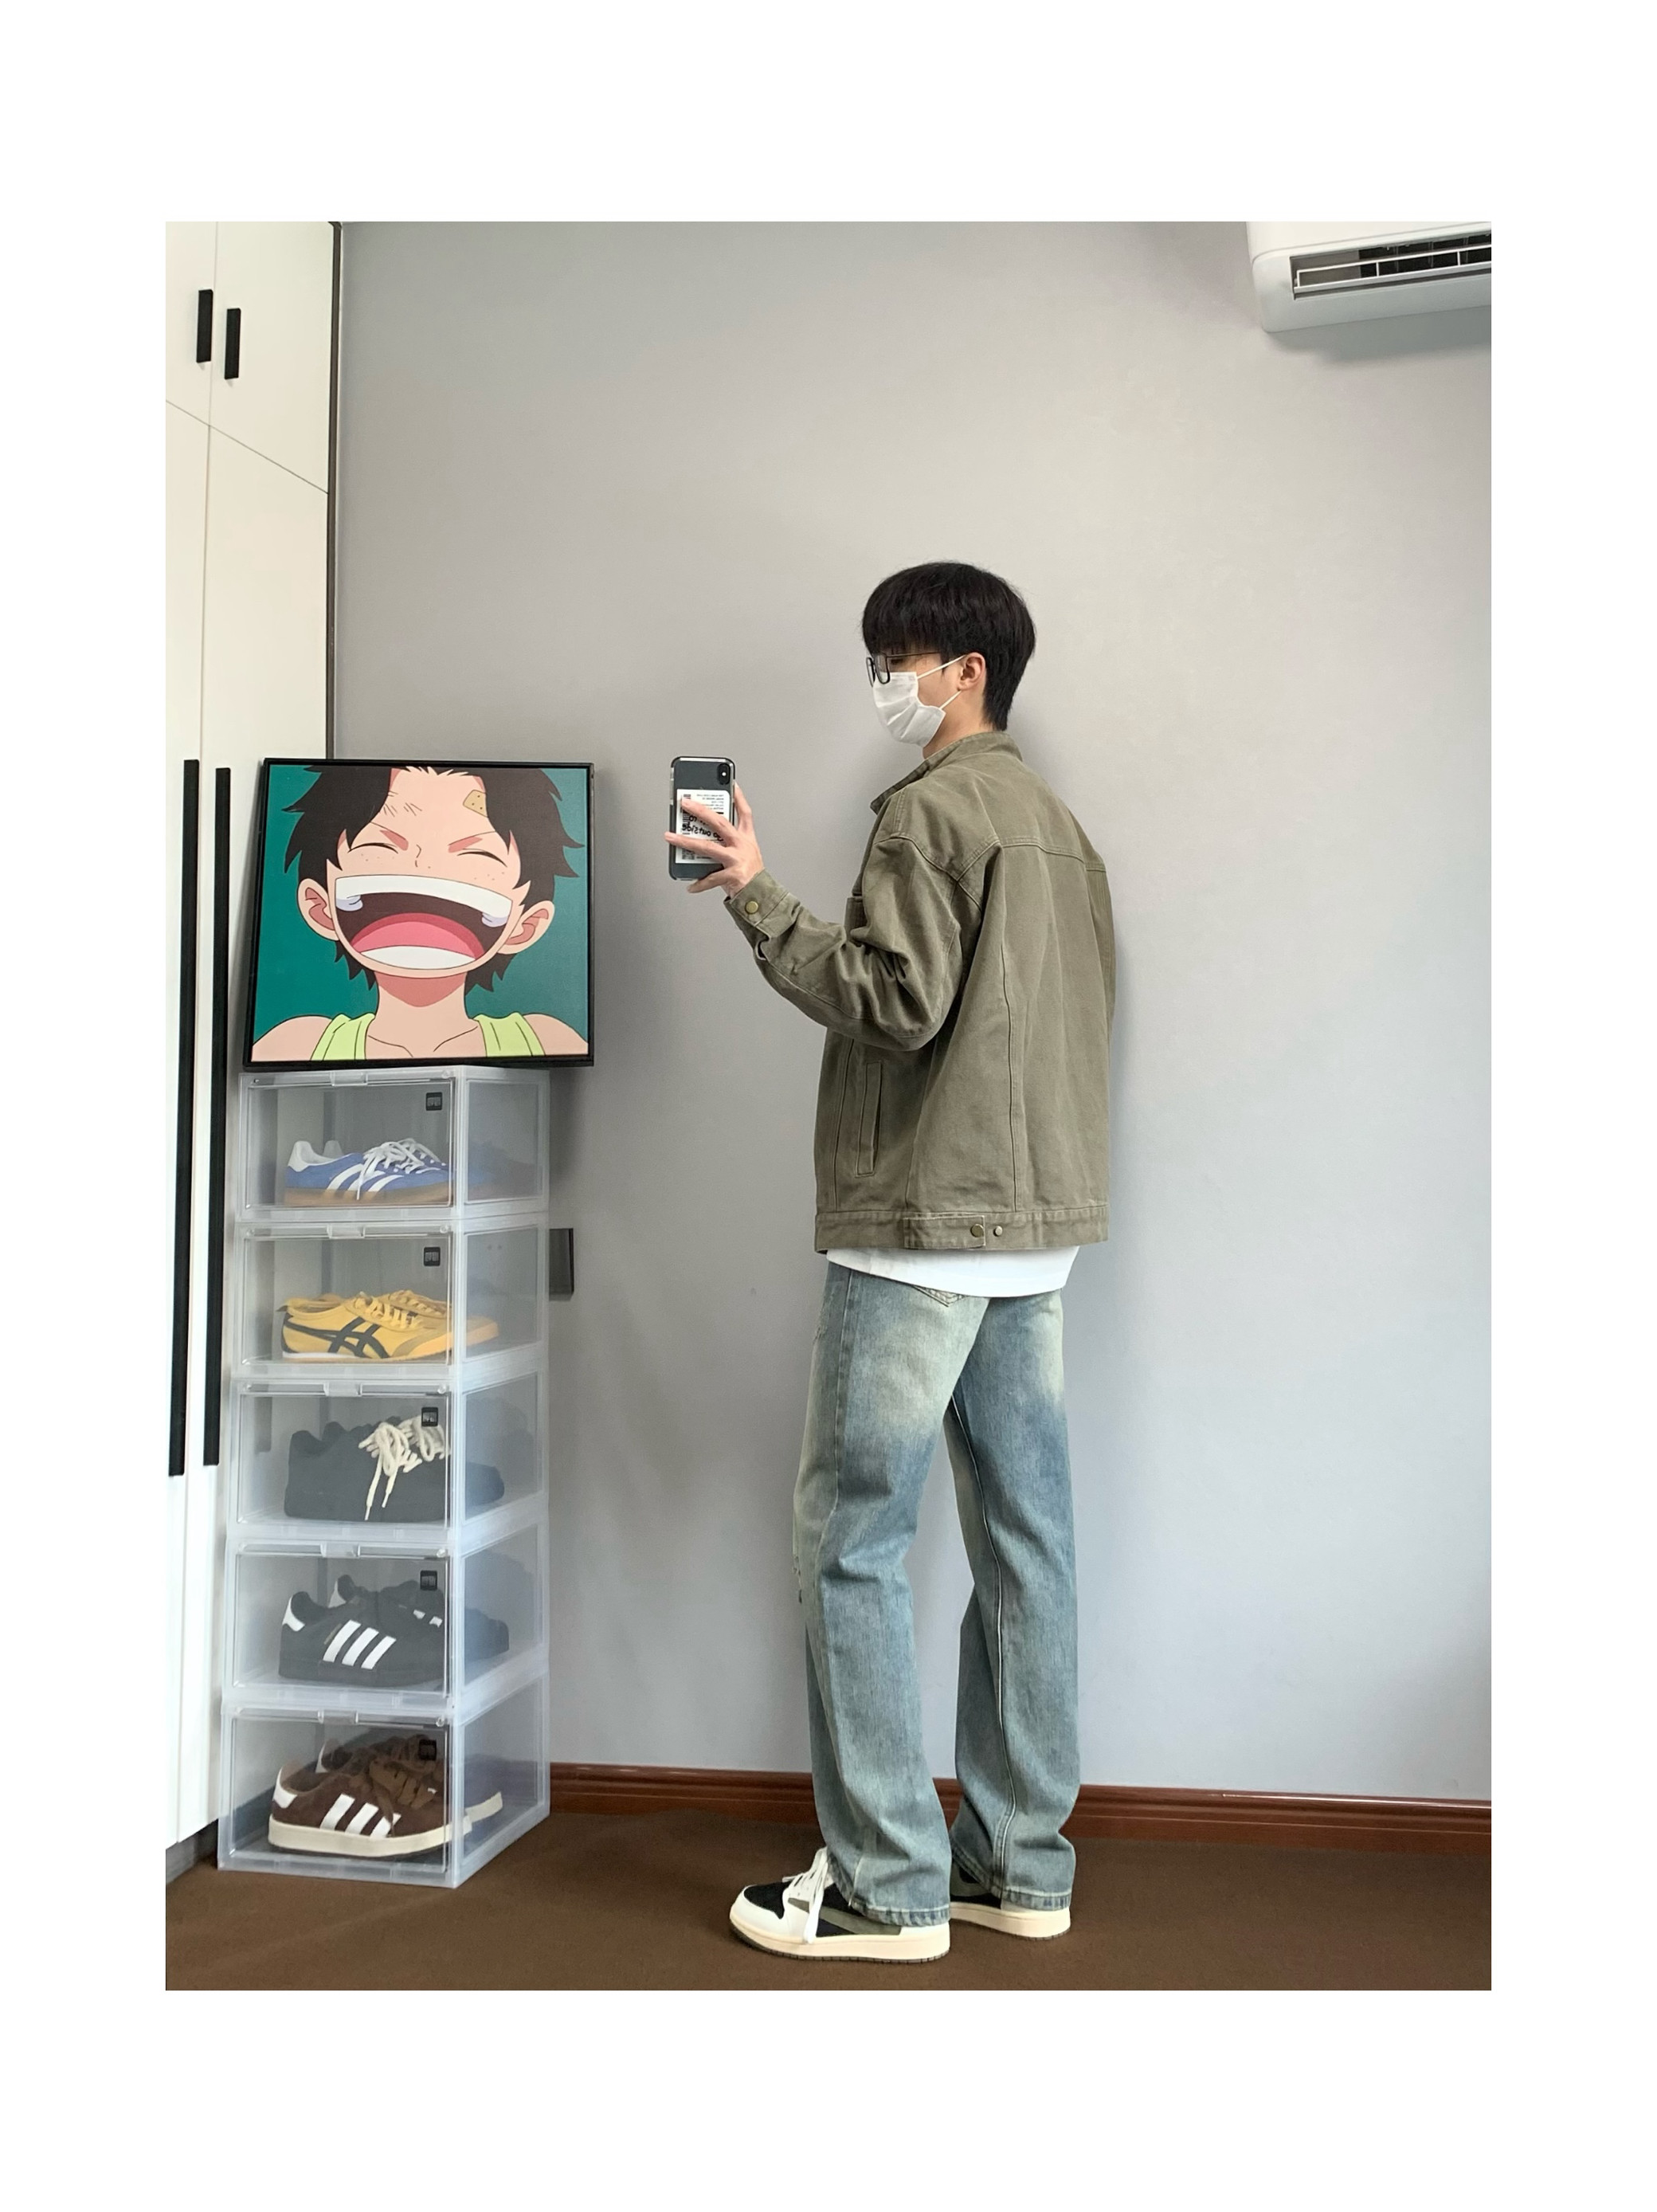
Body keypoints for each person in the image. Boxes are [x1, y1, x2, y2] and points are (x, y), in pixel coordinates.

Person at [667, 560, 1116, 1963]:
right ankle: (1020, 1868)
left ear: (966, 670)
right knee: (1026, 1549)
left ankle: (886, 1888)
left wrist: (755, 894)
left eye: (898, 656)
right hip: (1033, 1239)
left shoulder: (930, 813)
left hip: (919, 1230)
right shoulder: (1061, 829)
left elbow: (896, 1001)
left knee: (850, 1543)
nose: (884, 680)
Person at [253, 763, 588, 1062]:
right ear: (320, 907)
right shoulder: (300, 1043)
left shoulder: (543, 1040)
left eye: (475, 856)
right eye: (381, 848)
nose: (423, 870)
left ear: (525, 925)